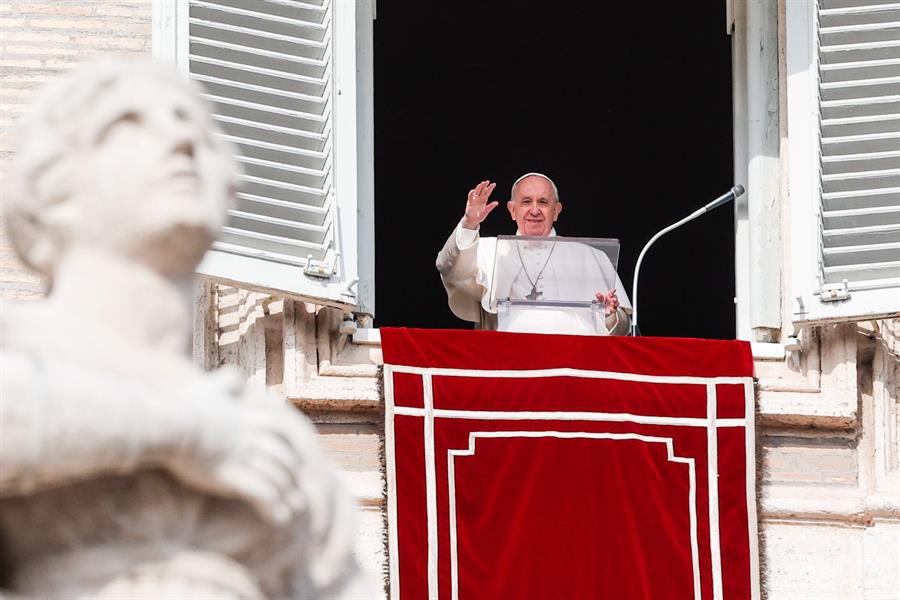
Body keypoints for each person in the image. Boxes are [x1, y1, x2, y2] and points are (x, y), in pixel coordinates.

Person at [436, 172, 632, 335]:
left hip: (573, 366)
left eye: (543, 202)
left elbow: (622, 330)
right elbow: (449, 267)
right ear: (512, 210)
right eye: (526, 201)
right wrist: (469, 223)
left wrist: (609, 315)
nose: (535, 210)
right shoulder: (489, 250)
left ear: (556, 211)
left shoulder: (591, 257)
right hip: (509, 364)